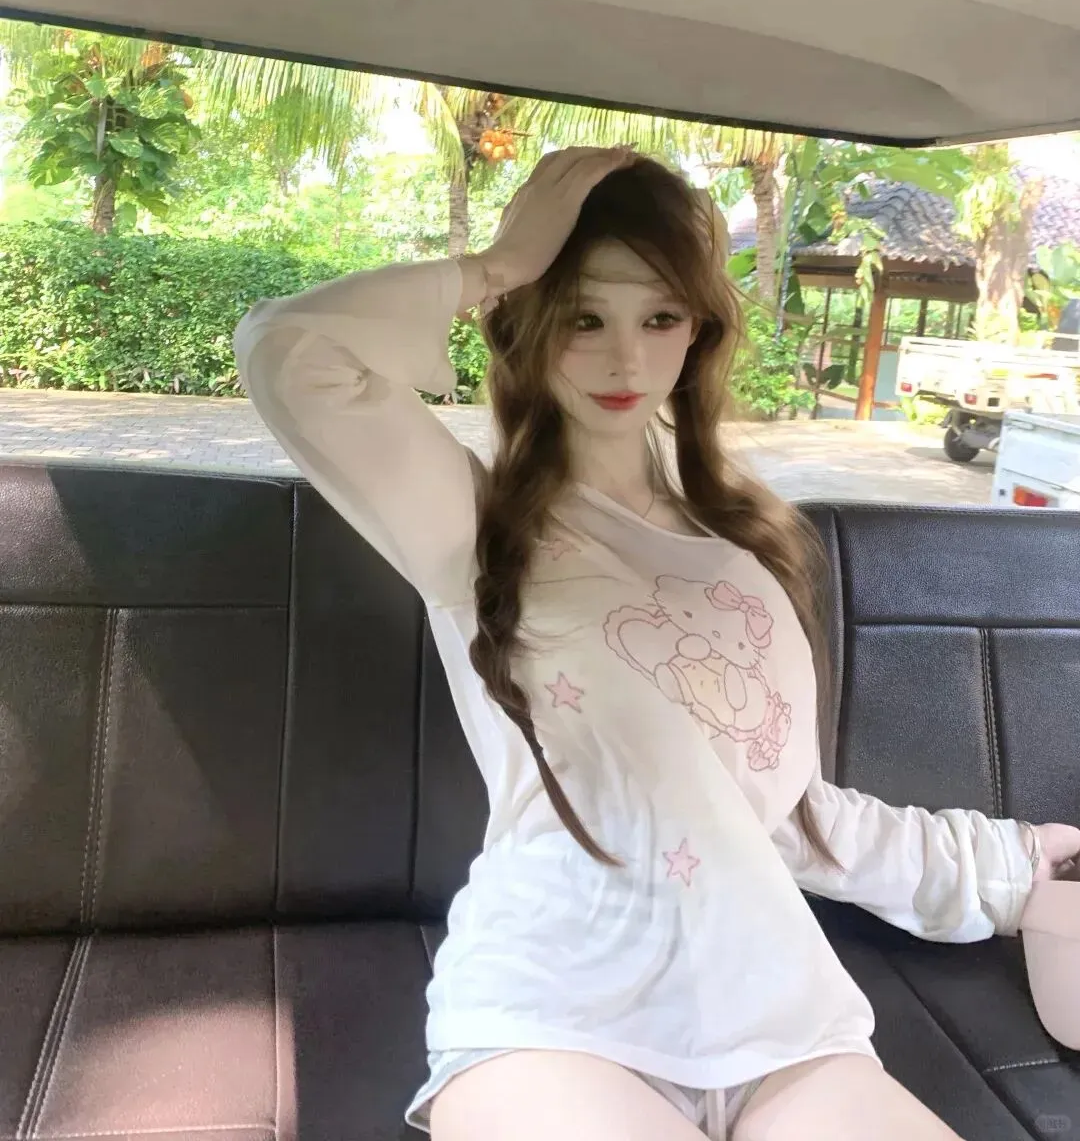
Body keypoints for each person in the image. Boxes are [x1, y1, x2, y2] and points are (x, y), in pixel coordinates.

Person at [234, 147, 1080, 1141]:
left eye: (660, 318)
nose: (625, 361)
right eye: (583, 317)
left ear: (698, 331)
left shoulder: (744, 549)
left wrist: (1011, 864)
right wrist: (497, 265)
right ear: (527, 322)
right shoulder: (471, 526)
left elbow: (780, 814)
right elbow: (289, 348)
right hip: (551, 1016)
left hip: (776, 1017)